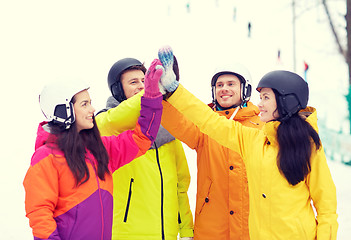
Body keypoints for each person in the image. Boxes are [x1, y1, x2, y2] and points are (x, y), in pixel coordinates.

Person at [157, 46, 338, 240]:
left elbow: (326, 206)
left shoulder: (308, 146)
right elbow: (208, 120)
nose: (260, 104)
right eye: (260, 98)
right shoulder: (252, 139)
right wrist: (173, 91)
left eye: (266, 98)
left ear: (286, 101)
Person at [23, 59, 163, 240]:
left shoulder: (100, 149)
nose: (92, 109)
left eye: (90, 102)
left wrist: (151, 96)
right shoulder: (46, 157)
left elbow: (142, 138)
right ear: (64, 110)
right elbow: (40, 215)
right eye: (84, 104)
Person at [160, 62, 263, 240]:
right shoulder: (204, 126)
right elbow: (178, 122)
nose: (224, 89)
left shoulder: (261, 126)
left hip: (252, 227)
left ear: (245, 89)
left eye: (231, 84)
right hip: (212, 228)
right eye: (219, 85)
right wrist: (162, 96)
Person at [95, 58, 194, 240]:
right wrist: (153, 92)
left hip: (167, 235)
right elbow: (118, 119)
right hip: (126, 234)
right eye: (134, 82)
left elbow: (180, 185)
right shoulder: (105, 124)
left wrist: (187, 230)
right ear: (117, 90)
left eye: (144, 81)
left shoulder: (168, 130)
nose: (141, 86)